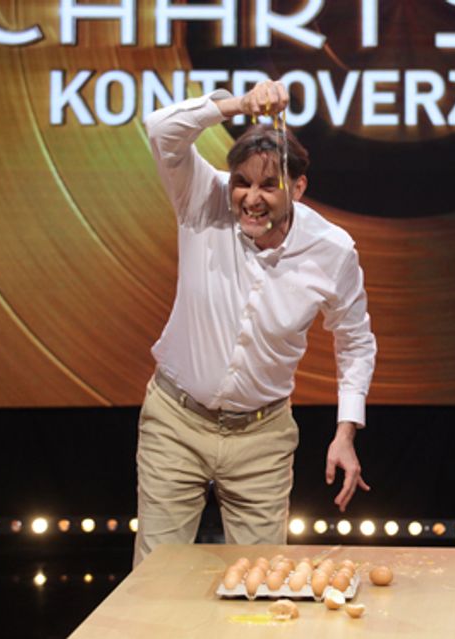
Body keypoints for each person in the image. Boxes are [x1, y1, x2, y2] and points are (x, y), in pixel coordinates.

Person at [133, 80, 377, 566]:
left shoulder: (332, 251)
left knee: (261, 583)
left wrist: (345, 431)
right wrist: (239, 104)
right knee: (153, 581)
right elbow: (160, 128)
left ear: (298, 188)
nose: (251, 198)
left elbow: (355, 342)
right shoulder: (202, 200)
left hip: (262, 439)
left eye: (269, 185)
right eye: (242, 182)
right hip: (176, 422)